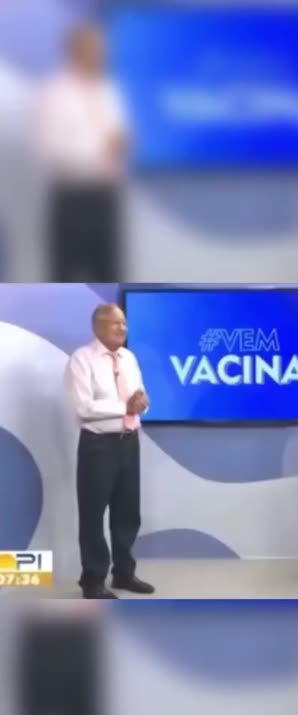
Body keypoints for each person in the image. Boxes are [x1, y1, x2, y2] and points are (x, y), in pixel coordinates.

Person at [65, 304, 154, 599]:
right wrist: (124, 407)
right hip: (98, 445)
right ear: (98, 326)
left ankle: (124, 574)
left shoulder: (129, 358)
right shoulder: (82, 359)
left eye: (124, 323)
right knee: (93, 515)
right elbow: (84, 407)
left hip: (129, 441)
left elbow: (139, 397)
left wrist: (141, 403)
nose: (122, 328)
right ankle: (92, 580)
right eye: (116, 323)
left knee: (128, 513)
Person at [37, 24, 129, 281]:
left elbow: (118, 132)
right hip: (72, 197)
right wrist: (96, 154)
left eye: (100, 50)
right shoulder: (56, 93)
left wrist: (119, 145)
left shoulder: (108, 89)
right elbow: (50, 149)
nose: (99, 55)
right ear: (75, 52)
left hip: (105, 196)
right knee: (66, 274)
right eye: (93, 50)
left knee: (108, 273)